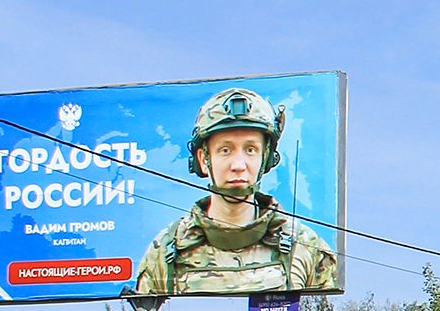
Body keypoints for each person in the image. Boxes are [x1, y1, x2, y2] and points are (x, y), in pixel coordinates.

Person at [132, 87, 340, 296]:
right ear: (204, 160)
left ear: (265, 158)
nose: (238, 165)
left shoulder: (304, 246)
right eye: (225, 150)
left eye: (251, 150)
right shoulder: (168, 248)